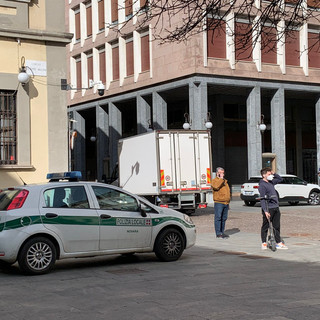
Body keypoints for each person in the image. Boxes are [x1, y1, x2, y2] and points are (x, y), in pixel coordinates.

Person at [258, 167, 288, 250]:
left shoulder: (271, 182)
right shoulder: (262, 185)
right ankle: (264, 242)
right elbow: (262, 199)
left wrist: (274, 173)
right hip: (269, 207)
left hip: (275, 207)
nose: (270, 175)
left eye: (270, 174)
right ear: (264, 175)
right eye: (268, 174)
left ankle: (278, 242)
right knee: (266, 225)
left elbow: (280, 179)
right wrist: (265, 211)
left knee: (276, 226)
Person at [211, 167, 231, 239]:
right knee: (218, 218)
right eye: (220, 173)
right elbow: (216, 186)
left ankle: (222, 232)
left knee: (224, 218)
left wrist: (228, 201)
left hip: (226, 202)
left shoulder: (225, 181)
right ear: (217, 173)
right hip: (219, 202)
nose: (222, 174)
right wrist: (220, 179)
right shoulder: (215, 181)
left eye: (223, 172)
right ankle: (218, 233)